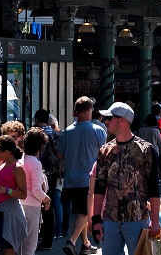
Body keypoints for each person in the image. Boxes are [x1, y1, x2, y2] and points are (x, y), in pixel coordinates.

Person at [90, 102, 161, 255]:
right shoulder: (105, 150)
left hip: (137, 219)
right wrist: (96, 218)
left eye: (109, 118)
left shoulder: (146, 150)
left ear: (122, 120)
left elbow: (154, 187)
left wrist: (155, 220)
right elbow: (100, 186)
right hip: (110, 220)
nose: (105, 121)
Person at [60, 97, 107, 255]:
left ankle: (85, 244)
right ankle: (71, 241)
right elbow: (105, 155)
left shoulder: (66, 131)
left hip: (70, 179)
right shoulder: (98, 130)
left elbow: (60, 155)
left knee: (81, 211)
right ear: (89, 110)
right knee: (85, 212)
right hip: (89, 180)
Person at [0, 135, 29, 255]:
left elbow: (23, 194)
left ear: (7, 152)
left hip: (9, 214)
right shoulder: (1, 165)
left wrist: (6, 190)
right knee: (0, 248)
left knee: (8, 248)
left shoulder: (17, 168)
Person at [20, 128, 52, 255]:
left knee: (20, 243)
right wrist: (47, 199)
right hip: (32, 206)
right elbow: (36, 190)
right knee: (29, 244)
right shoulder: (35, 163)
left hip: (19, 203)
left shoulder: (20, 159)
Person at [34, 109, 62, 250]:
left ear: (37, 119)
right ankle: (49, 237)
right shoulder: (56, 134)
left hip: (40, 172)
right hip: (53, 173)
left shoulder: (37, 134)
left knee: (40, 204)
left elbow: (37, 155)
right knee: (49, 204)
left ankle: (42, 237)